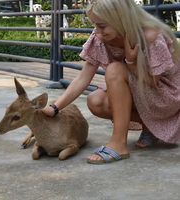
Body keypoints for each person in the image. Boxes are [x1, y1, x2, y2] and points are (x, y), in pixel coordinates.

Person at [42, 0, 180, 164]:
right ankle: (150, 128)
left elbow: (153, 82)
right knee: (96, 101)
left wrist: (131, 63)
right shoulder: (102, 36)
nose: (98, 31)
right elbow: (83, 78)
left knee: (115, 69)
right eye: (95, 25)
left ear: (120, 20)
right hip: (141, 94)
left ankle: (119, 144)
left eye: (102, 26)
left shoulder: (149, 36)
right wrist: (55, 107)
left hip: (165, 96)